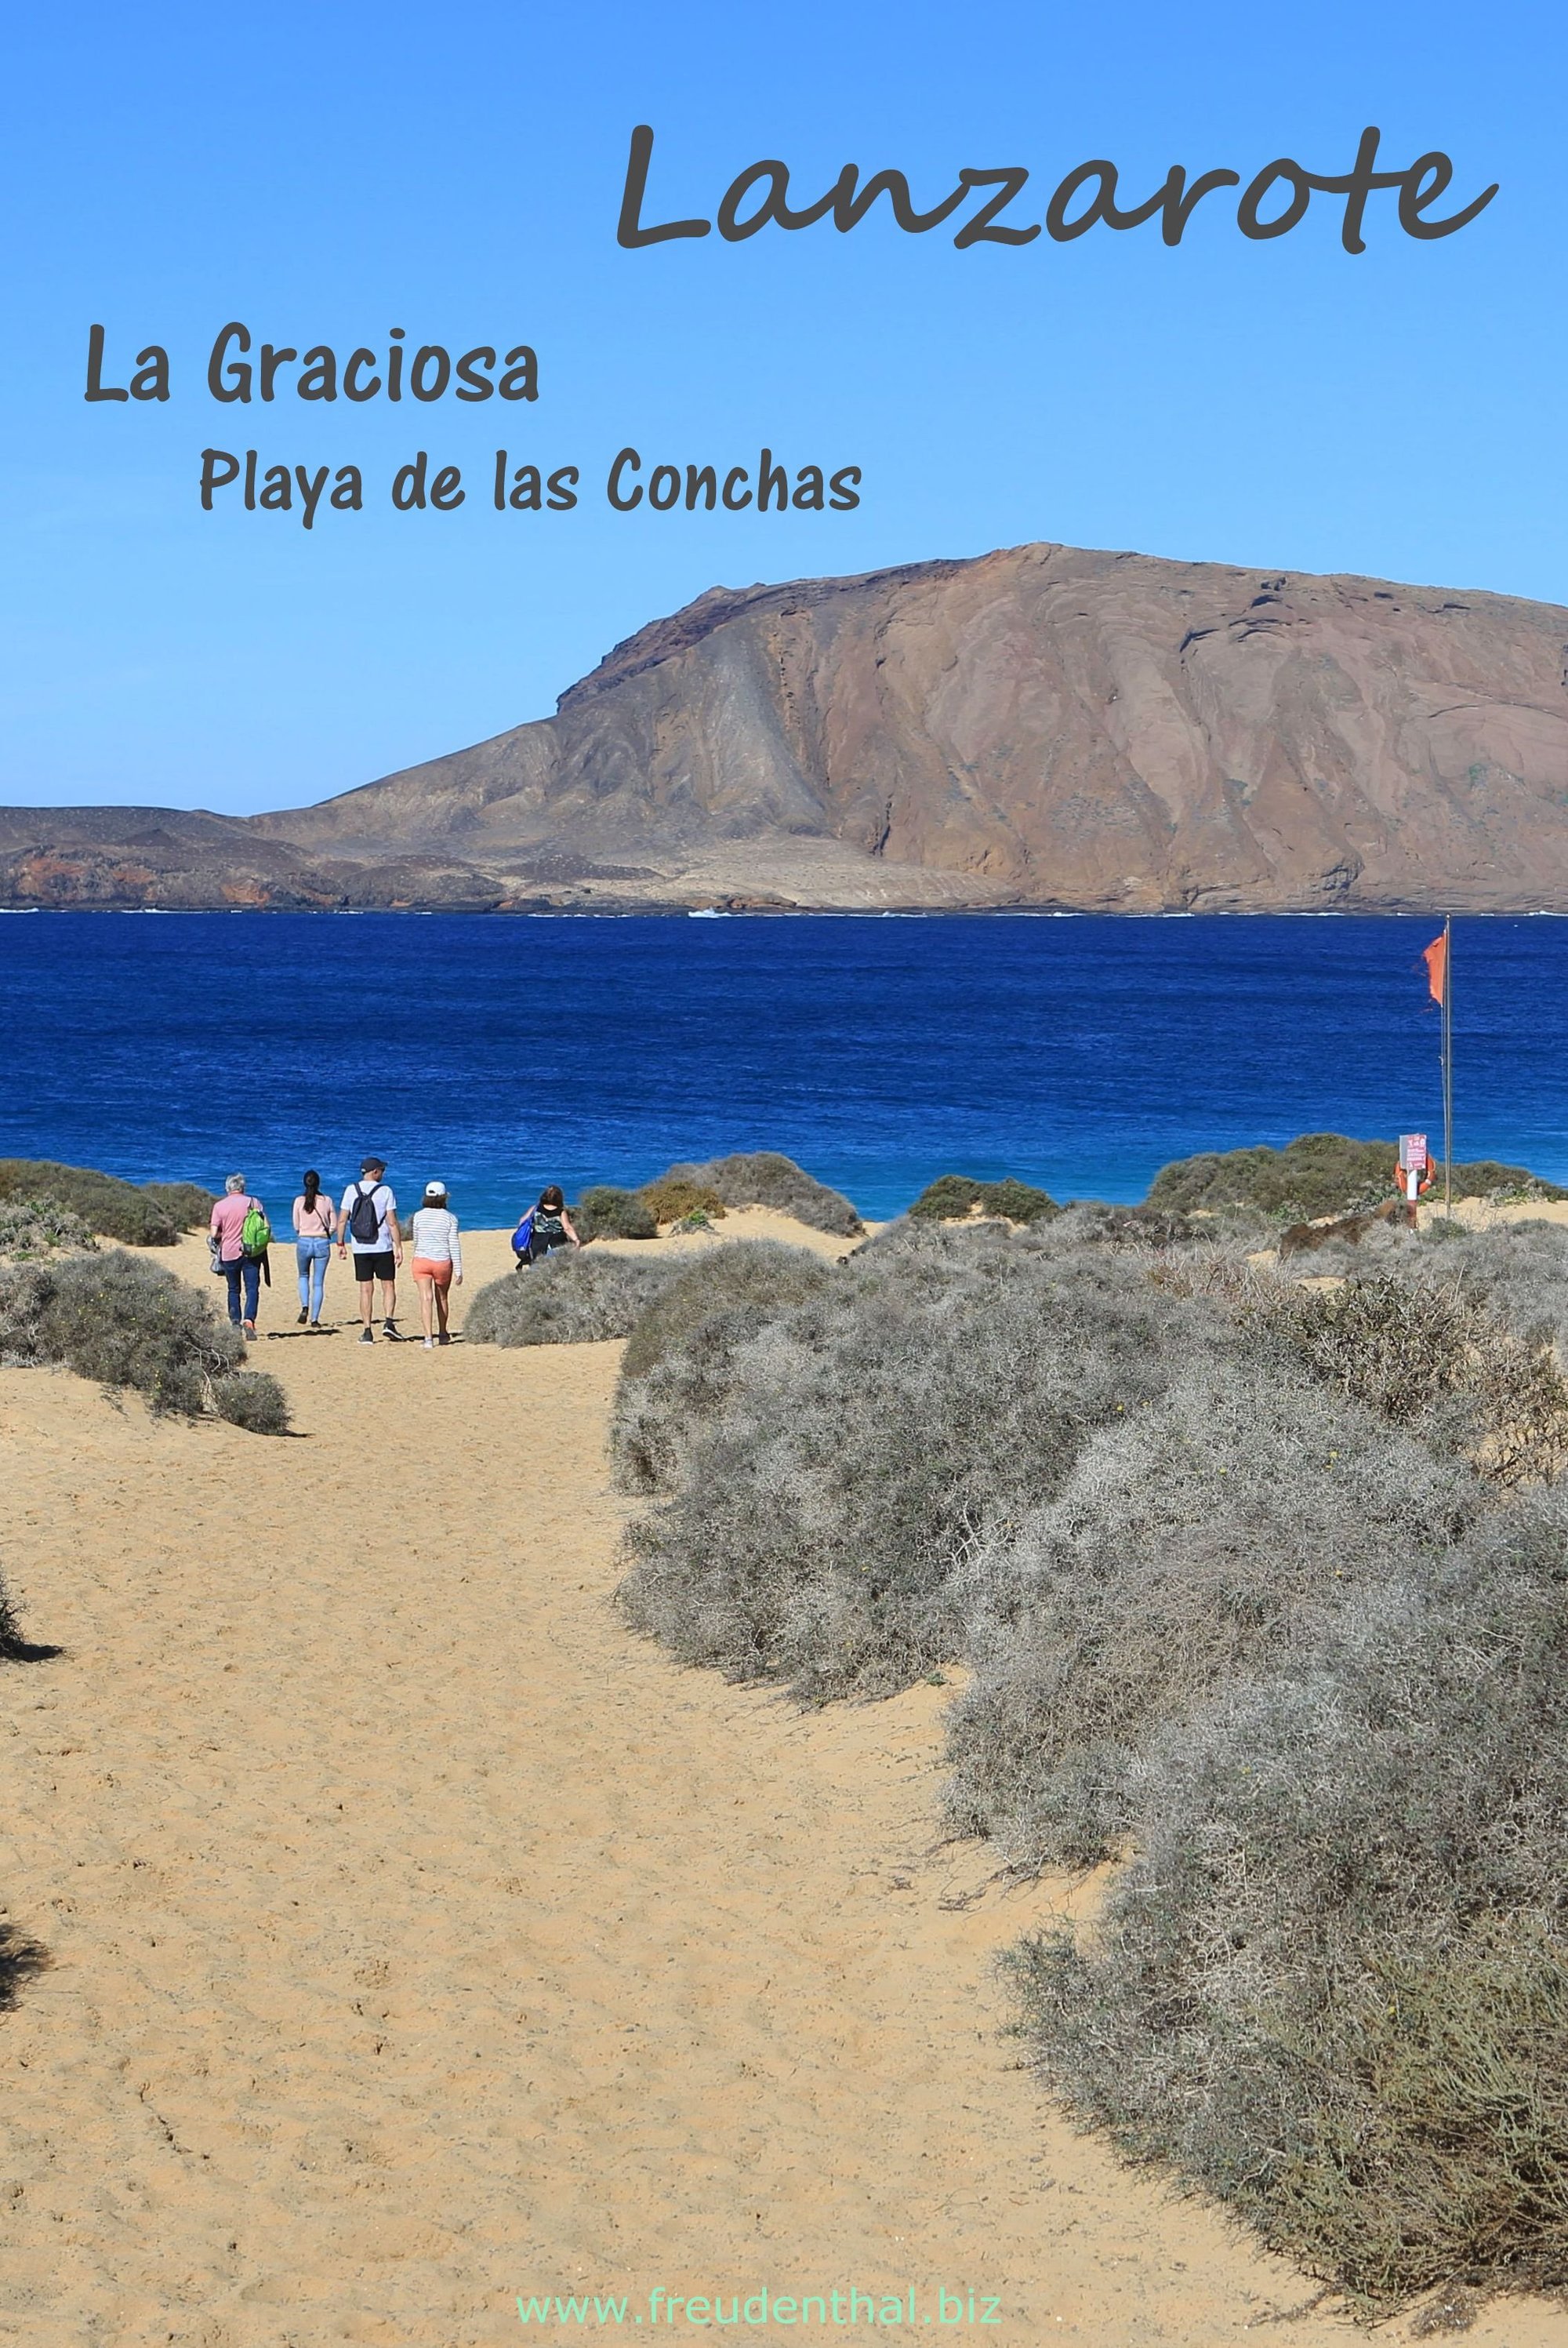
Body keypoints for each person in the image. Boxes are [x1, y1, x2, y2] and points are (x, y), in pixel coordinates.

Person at [337, 1156, 401, 1343]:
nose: (383, 1173)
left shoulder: (351, 1190)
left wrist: (340, 1243)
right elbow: (392, 1222)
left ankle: (367, 1331)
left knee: (365, 1289)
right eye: (381, 1170)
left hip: (360, 1247)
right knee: (388, 1285)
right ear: (375, 1172)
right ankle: (389, 1322)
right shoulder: (385, 1191)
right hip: (382, 1246)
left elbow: (342, 1219)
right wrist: (398, 1246)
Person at [209, 1171, 267, 1339]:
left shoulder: (219, 1206)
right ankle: (249, 1320)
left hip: (229, 1252)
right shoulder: (254, 1202)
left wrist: (225, 1233)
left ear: (228, 1188)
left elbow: (214, 1233)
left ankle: (235, 1322)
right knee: (252, 1288)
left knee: (233, 1289)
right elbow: (265, 1227)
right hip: (252, 1252)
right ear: (243, 1187)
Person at [409, 1180, 463, 1347]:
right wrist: (459, 1270)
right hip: (442, 1262)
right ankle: (442, 1333)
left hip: (421, 1260)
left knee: (426, 1298)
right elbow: (453, 1244)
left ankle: (428, 1339)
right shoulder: (450, 1218)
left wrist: (416, 1256)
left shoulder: (418, 1216)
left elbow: (416, 1240)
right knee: (442, 1298)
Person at [292, 1169, 335, 1326]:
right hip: (322, 1242)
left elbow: (296, 1225)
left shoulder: (298, 1201)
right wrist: (326, 1233)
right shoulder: (327, 1200)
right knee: (318, 1283)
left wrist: (303, 1232)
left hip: (304, 1241)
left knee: (303, 1276)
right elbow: (334, 1225)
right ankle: (315, 1319)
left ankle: (304, 1306)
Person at [528, 1184, 581, 1263]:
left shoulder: (535, 1209)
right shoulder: (561, 1212)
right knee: (557, 1267)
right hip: (556, 1244)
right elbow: (567, 1228)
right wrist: (576, 1240)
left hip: (538, 1243)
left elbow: (523, 1221)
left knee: (537, 1268)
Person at [1390, 1144, 1436, 1230]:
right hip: (1410, 1190)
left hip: (1412, 1191)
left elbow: (1431, 1173)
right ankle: (1411, 1227)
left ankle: (1412, 1227)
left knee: (1411, 1209)